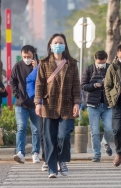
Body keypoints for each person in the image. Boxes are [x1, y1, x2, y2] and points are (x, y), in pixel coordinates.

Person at [34, 33, 81, 178]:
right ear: (50, 45)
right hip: (49, 105)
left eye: (60, 42)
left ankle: (62, 160)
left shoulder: (72, 63)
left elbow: (76, 85)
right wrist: (38, 103)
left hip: (67, 105)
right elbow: (39, 84)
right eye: (55, 42)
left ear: (65, 45)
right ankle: (52, 168)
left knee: (64, 135)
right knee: (49, 138)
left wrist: (77, 103)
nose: (58, 45)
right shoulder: (44, 62)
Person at [10, 45, 41, 164]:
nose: (26, 58)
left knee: (37, 130)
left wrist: (36, 69)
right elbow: (12, 82)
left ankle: (35, 153)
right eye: (24, 56)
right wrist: (18, 95)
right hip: (21, 104)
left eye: (29, 56)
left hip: (35, 104)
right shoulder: (17, 66)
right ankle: (20, 153)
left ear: (34, 55)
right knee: (21, 127)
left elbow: (42, 82)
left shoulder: (39, 66)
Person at [81, 50, 113, 162]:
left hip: (107, 105)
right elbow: (83, 86)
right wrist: (94, 85)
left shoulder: (111, 68)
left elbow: (117, 84)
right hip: (93, 105)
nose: (101, 64)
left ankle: (105, 142)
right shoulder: (88, 69)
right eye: (99, 62)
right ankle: (97, 154)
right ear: (95, 59)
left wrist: (107, 82)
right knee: (94, 131)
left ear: (106, 59)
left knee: (109, 129)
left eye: (103, 62)